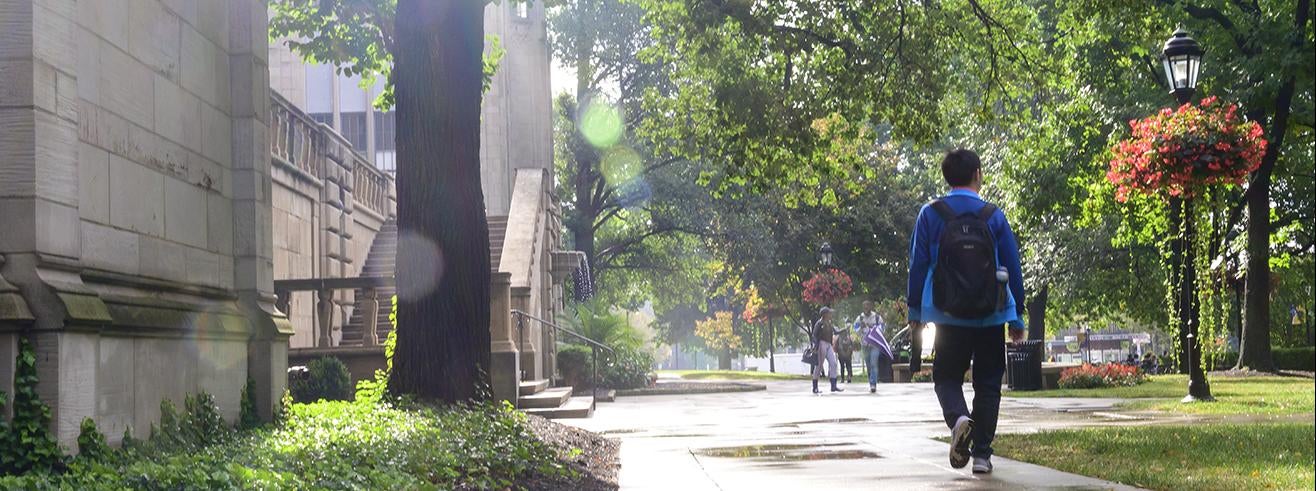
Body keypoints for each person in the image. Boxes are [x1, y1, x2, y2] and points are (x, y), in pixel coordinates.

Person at [906, 149, 1026, 475]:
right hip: (991, 314)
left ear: (948, 177)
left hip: (947, 315)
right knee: (988, 383)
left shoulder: (931, 214)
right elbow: (1012, 268)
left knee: (946, 376)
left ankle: (959, 419)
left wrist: (914, 309)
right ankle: (983, 456)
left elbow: (917, 265)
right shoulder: (993, 215)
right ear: (977, 173)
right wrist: (1017, 316)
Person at [854, 300, 889, 393]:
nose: (866, 308)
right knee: (869, 365)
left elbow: (882, 328)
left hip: (875, 345)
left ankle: (873, 384)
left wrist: (872, 327)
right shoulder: (859, 318)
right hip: (865, 345)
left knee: (874, 363)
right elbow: (855, 330)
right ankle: (871, 382)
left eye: (868, 306)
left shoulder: (877, 318)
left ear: (871, 306)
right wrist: (860, 328)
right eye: (864, 306)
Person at [811, 307, 844, 394]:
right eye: (829, 313)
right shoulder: (819, 323)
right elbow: (814, 335)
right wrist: (815, 345)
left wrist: (843, 330)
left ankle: (833, 386)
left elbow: (835, 332)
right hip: (822, 344)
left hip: (829, 344)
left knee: (833, 363)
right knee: (819, 366)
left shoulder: (829, 323)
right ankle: (815, 387)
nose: (831, 315)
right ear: (824, 314)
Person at [835, 320, 856, 384]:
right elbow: (851, 346)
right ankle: (846, 377)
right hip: (846, 354)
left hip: (844, 355)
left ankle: (844, 378)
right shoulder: (848, 337)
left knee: (844, 366)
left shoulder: (840, 338)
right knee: (847, 366)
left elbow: (837, 347)